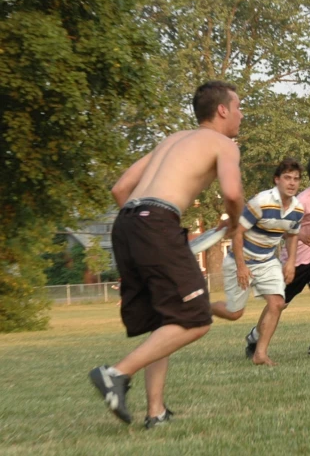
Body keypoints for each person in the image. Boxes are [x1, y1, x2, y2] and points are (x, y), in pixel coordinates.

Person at [90, 81, 244, 428]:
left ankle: (155, 412)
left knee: (165, 320)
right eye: (238, 107)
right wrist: (234, 225)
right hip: (155, 223)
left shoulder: (172, 140)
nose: (241, 114)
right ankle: (116, 373)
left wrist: (143, 224)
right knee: (196, 317)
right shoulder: (223, 144)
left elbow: (120, 189)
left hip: (126, 223)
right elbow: (233, 194)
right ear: (222, 110)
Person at [243, 154, 310, 357]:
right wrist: (301, 234)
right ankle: (255, 336)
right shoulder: (302, 201)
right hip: (295, 258)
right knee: (279, 304)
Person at [210, 158, 305, 366]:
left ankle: (260, 354)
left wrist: (291, 263)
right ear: (277, 180)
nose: (292, 183)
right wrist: (241, 266)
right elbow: (237, 233)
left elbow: (291, 235)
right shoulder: (261, 201)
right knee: (235, 313)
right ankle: (204, 308)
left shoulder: (298, 209)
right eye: (287, 178)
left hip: (267, 261)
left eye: (296, 179)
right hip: (240, 259)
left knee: (277, 303)